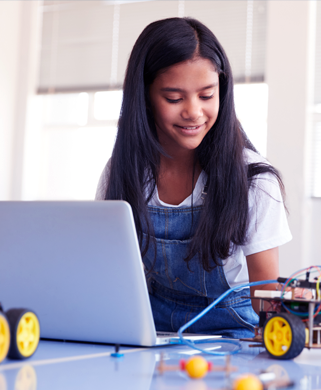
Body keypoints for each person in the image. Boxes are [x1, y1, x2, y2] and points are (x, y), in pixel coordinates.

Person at [96, 17, 291, 339]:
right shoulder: (125, 171)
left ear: (222, 92)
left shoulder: (253, 179)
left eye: (206, 95)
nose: (193, 112)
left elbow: (265, 294)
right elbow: (110, 273)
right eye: (174, 98)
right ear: (144, 97)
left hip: (232, 334)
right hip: (150, 331)